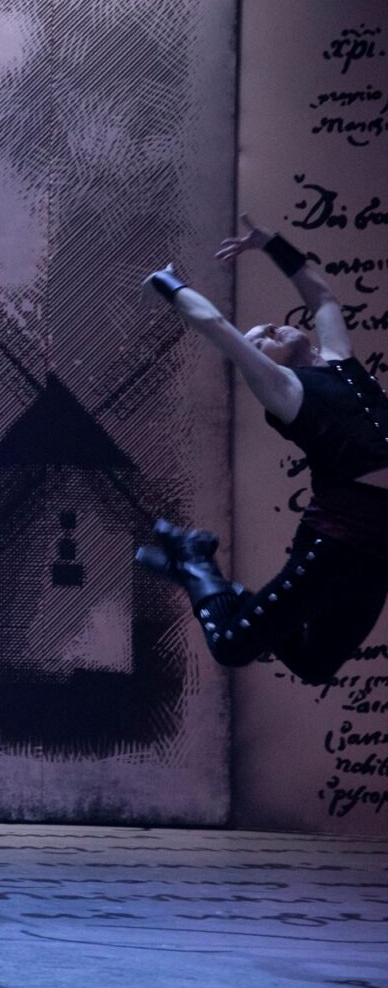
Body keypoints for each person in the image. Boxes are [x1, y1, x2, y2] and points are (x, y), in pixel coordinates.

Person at [137, 217, 388, 684]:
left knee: (314, 664)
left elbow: (322, 297)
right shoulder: (285, 390)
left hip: (379, 545)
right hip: (342, 538)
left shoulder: (341, 361)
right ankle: (196, 563)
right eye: (258, 340)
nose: (269, 329)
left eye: (270, 327)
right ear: (260, 363)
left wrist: (270, 243)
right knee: (232, 646)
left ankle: (203, 576)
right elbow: (213, 324)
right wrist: (169, 283)